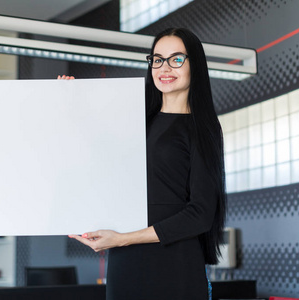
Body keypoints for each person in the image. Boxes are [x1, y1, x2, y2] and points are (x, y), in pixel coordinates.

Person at [64, 27, 227, 300]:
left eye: (176, 59)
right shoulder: (135, 121)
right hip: (125, 260)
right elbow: (101, 158)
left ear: (194, 65)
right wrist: (69, 100)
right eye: (158, 59)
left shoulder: (202, 128)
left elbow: (200, 213)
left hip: (174, 263)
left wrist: (123, 238)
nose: (165, 67)